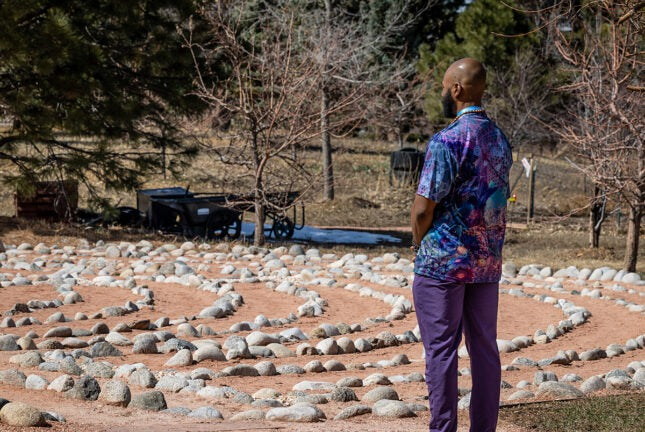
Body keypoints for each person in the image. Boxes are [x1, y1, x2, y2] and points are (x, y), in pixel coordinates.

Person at [410, 58, 513, 432]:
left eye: (443, 85)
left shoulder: (448, 140)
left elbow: (424, 208)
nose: (441, 92)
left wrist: (418, 243)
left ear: (456, 90)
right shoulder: (500, 139)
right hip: (486, 263)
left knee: (441, 353)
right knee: (485, 351)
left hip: (443, 265)